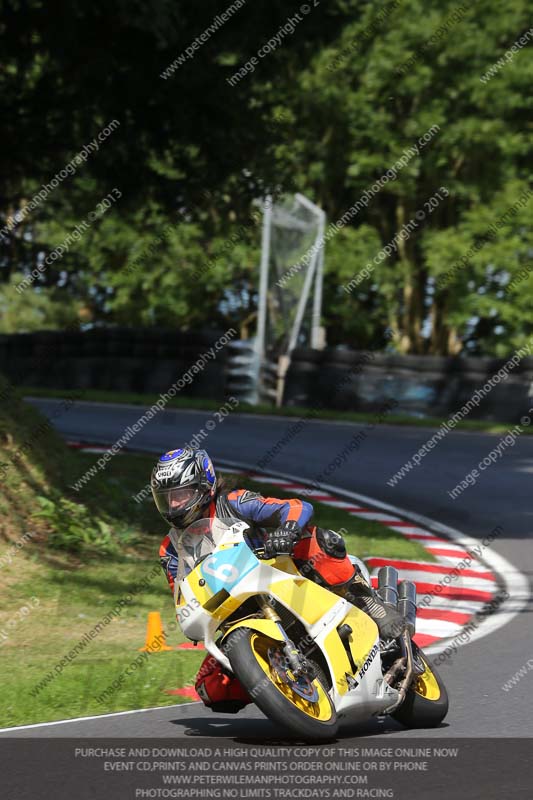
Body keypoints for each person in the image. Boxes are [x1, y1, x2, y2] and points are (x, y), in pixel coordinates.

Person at [153, 446, 400, 712]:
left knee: (318, 541)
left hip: (277, 576)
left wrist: (288, 530)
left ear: (205, 487)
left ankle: (367, 601)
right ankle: (278, 686)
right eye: (166, 498)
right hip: (229, 611)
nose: (174, 505)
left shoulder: (234, 502)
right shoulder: (169, 548)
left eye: (181, 495)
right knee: (210, 688)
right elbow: (179, 591)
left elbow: (294, 507)